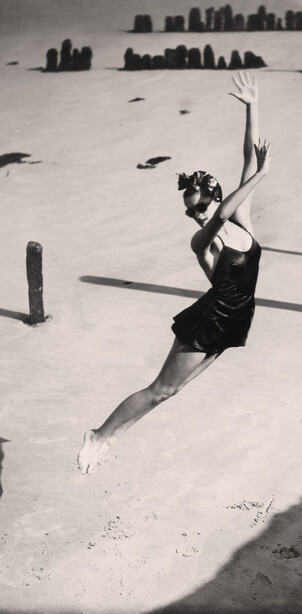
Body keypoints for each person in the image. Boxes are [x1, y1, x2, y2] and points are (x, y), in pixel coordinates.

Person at [77, 71, 271, 474]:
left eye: (198, 207)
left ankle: (114, 434)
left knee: (171, 391)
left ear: (215, 197)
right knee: (161, 388)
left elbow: (248, 157)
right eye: (190, 211)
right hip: (212, 318)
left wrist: (253, 106)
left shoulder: (243, 223)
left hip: (237, 316)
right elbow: (223, 210)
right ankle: (98, 434)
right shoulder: (205, 240)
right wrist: (261, 177)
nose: (195, 215)